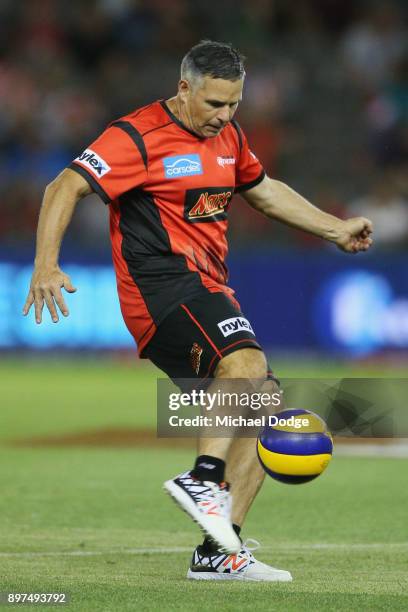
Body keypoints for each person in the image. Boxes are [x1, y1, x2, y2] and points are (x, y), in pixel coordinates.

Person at [23, 40, 373, 582]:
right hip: (159, 288)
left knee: (263, 409)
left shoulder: (230, 136)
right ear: (184, 88)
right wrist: (46, 264)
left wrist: (334, 227)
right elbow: (63, 186)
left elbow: (264, 191)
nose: (224, 116)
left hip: (208, 287)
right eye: (214, 104)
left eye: (234, 104)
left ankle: (218, 551)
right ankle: (203, 478)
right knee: (247, 365)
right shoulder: (136, 136)